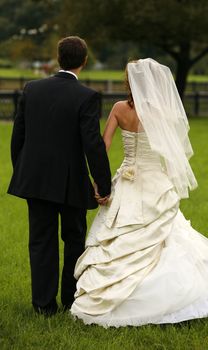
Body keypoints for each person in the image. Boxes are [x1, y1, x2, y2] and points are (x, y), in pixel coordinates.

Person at [70, 58, 208, 327]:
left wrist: (98, 180)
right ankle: (168, 299)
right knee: (161, 235)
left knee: (115, 235)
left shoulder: (118, 108)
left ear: (128, 81)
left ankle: (111, 296)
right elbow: (170, 148)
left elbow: (102, 145)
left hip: (128, 177)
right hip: (155, 181)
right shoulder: (162, 111)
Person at [8, 36, 111, 316]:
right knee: (74, 239)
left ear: (58, 58)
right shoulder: (87, 97)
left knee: (41, 241)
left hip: (35, 180)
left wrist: (24, 172)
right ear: (84, 61)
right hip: (71, 183)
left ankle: (43, 305)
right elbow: (93, 144)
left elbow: (18, 138)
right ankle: (71, 298)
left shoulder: (32, 89)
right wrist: (103, 184)